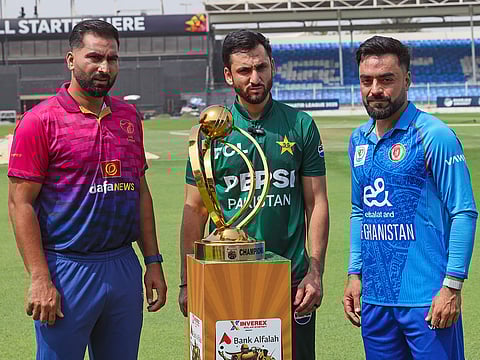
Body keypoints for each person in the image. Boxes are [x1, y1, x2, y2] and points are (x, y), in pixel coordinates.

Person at [8, 20, 167, 360]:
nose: (104, 67)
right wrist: (39, 278)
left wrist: (152, 261)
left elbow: (140, 192)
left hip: (122, 265)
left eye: (112, 59)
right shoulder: (39, 121)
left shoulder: (128, 116)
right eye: (94, 57)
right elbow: (20, 204)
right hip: (67, 269)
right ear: (70, 59)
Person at [178, 29, 330, 360]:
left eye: (261, 67)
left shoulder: (300, 124)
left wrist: (315, 271)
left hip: (291, 282)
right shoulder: (211, 132)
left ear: (272, 66)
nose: (255, 78)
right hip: (224, 279)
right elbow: (195, 209)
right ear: (229, 76)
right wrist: (187, 282)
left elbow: (316, 202)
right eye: (245, 71)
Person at [343, 35, 477, 359]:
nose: (375, 89)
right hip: (374, 302)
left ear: (407, 79)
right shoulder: (357, 140)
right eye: (366, 80)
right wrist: (354, 273)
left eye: (386, 79)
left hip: (427, 301)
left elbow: (464, 211)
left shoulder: (434, 136)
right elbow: (360, 210)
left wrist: (452, 286)